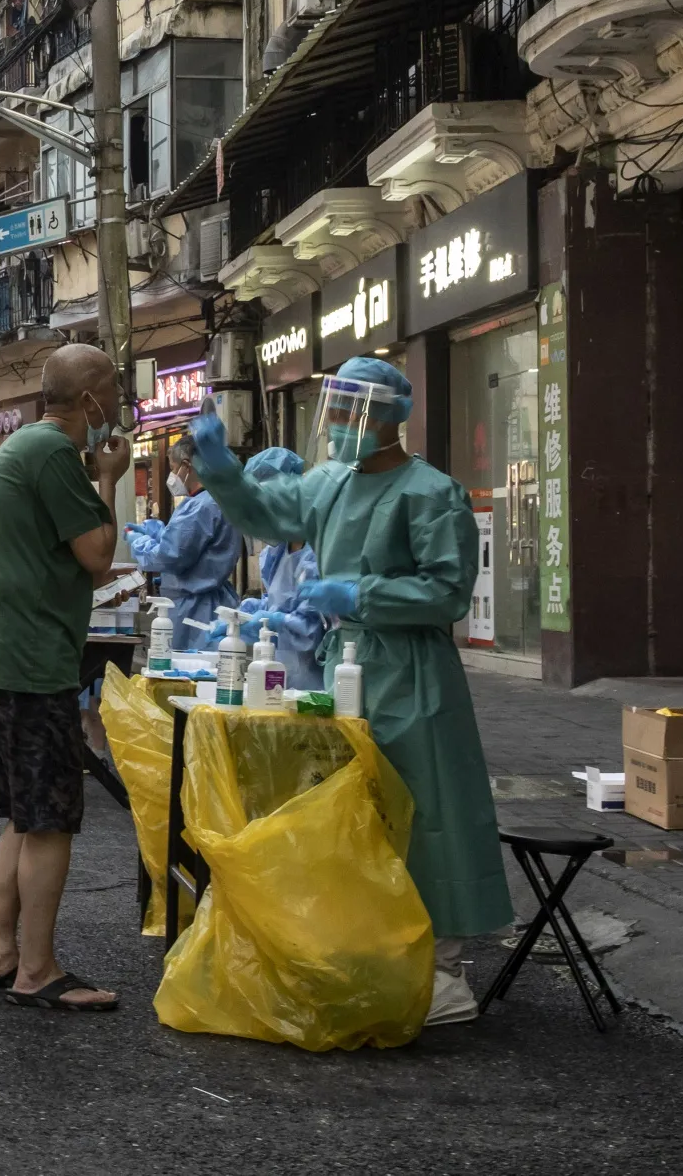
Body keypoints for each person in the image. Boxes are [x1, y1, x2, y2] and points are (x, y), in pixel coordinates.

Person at [187, 354, 512, 1027]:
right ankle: (372, 946)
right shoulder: (329, 483)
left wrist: (360, 592)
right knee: (355, 807)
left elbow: (447, 591)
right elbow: (264, 513)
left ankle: (443, 967)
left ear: (393, 417)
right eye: (334, 410)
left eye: (353, 412)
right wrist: (218, 467)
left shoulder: (430, 493)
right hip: (344, 660)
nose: (338, 425)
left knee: (426, 809)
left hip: (411, 672)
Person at [0, 343, 125, 1012]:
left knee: (25, 821)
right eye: (112, 388)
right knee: (50, 819)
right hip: (30, 659)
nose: (119, 400)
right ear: (88, 400)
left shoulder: (25, 446)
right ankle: (38, 969)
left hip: (0, 653)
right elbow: (97, 554)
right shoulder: (57, 453)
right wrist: (110, 478)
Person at [123, 437, 240, 646]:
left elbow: (170, 557)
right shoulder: (218, 501)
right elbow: (192, 548)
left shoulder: (199, 507)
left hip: (194, 610)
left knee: (189, 670)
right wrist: (158, 535)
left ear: (187, 465)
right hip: (211, 603)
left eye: (174, 468)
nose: (173, 477)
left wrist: (138, 542)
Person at [233, 446, 327, 690]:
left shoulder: (320, 549)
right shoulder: (276, 553)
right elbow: (277, 604)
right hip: (279, 675)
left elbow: (310, 630)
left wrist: (273, 620)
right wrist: (251, 613)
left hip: (316, 680)